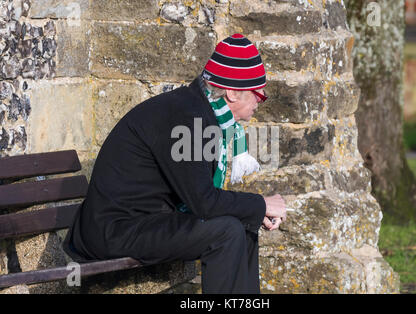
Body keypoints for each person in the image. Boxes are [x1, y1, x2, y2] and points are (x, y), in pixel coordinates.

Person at [62, 33, 286, 294]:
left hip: (146, 220)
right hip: (114, 231)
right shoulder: (189, 118)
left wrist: (254, 211)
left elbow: (201, 199)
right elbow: (204, 203)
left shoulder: (198, 110)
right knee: (226, 231)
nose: (261, 100)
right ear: (233, 92)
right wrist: (261, 204)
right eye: (258, 93)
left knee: (242, 223)